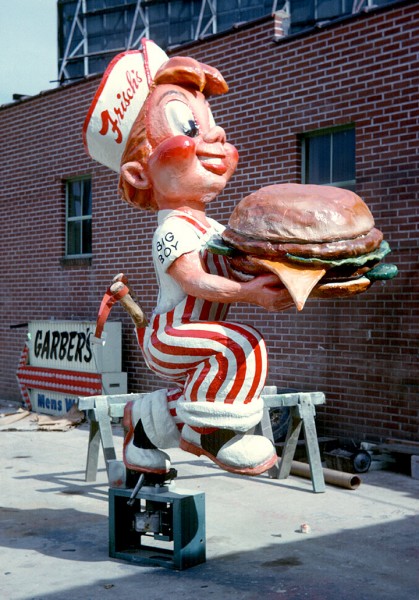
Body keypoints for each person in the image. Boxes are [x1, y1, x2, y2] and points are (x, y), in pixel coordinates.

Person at [84, 42, 293, 476]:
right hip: (171, 334)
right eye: (189, 125)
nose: (214, 136)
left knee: (215, 376)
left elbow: (243, 261)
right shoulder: (173, 228)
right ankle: (210, 435)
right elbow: (195, 281)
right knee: (241, 345)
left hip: (197, 333)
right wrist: (250, 294)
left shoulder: (214, 228)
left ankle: (143, 425)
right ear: (140, 174)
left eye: (212, 124)